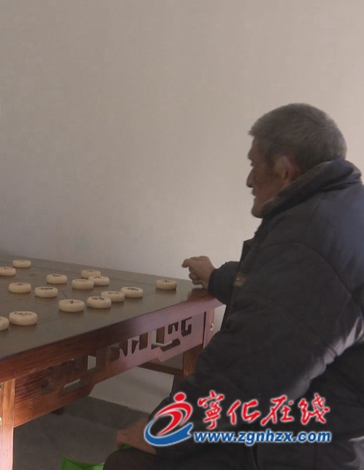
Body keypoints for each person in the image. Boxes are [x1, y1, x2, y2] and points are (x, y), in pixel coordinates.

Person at [105, 104, 364, 469]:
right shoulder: (340, 211)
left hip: (299, 446)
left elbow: (250, 371)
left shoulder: (312, 236)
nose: (248, 180)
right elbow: (281, 296)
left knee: (128, 462)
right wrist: (215, 277)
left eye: (254, 165)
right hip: (321, 424)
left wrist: (162, 432)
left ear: (284, 168)